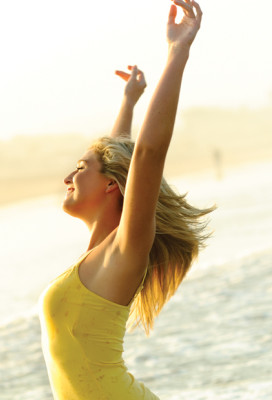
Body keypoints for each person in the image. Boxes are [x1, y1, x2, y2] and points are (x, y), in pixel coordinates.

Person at [39, 1, 213, 399]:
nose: (68, 177)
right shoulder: (99, 255)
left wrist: (177, 51)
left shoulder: (126, 250)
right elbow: (117, 158)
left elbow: (146, 154)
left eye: (79, 169)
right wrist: (129, 101)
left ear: (112, 186)